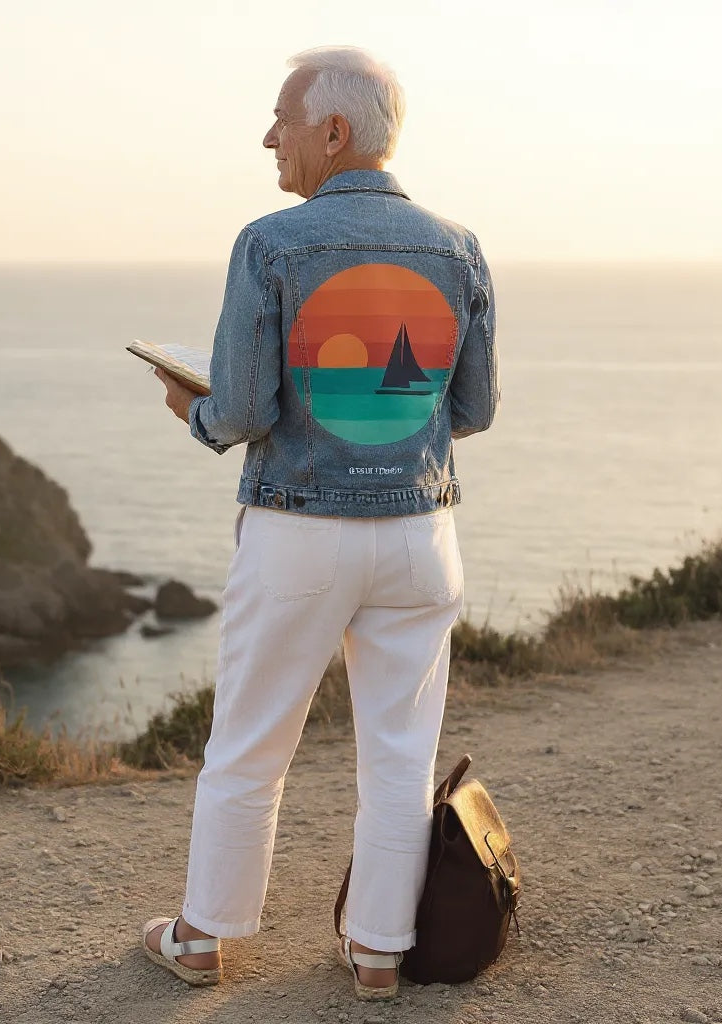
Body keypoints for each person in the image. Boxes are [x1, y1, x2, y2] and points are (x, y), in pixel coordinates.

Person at [144, 45, 498, 1000]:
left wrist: (197, 412)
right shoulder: (459, 247)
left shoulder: (270, 243)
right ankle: (379, 950)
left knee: (250, 745)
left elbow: (248, 409)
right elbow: (473, 409)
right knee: (401, 752)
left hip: (300, 531)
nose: (270, 137)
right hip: (423, 536)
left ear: (333, 132)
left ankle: (202, 938)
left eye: (282, 120)